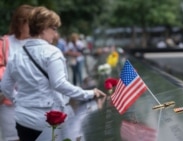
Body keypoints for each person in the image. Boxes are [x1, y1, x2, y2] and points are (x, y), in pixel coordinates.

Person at [1, 6, 106, 141]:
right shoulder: (52, 52)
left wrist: (19, 101)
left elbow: (5, 86)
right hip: (47, 119)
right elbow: (59, 84)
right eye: (54, 29)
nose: (55, 34)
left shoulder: (15, 55)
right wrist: (89, 93)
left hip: (23, 119)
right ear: (43, 28)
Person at [0, 4, 34, 141]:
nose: (32, 27)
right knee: (12, 138)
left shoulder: (38, 43)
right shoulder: (5, 43)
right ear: (19, 23)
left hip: (35, 102)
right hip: (10, 103)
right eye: (29, 23)